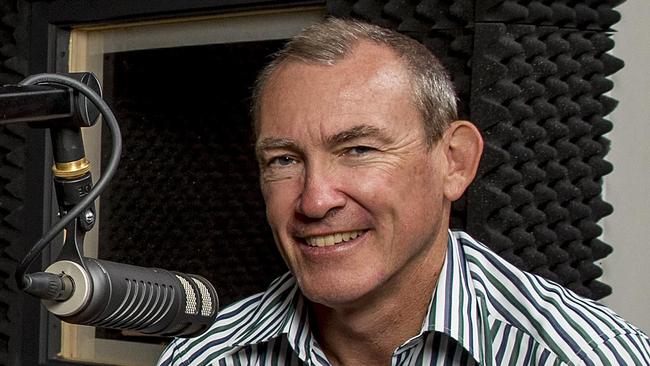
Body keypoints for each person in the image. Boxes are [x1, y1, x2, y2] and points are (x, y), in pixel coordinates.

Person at [158, 18, 650, 365]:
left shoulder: (577, 356)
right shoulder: (205, 355)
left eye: (358, 150)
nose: (315, 200)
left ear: (454, 162)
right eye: (284, 160)